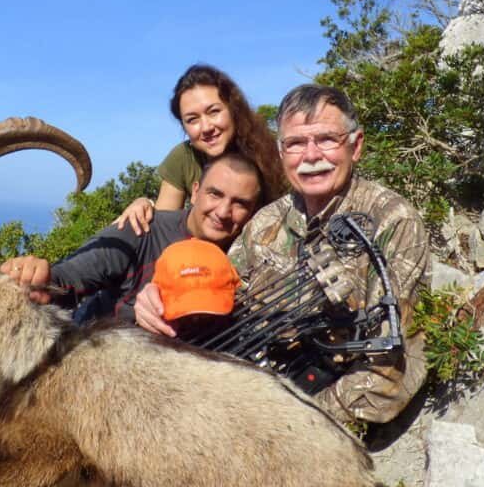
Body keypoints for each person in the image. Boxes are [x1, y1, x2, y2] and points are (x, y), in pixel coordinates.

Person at [134, 84, 430, 425]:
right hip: (241, 397)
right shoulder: (265, 223)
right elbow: (216, 297)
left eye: (327, 139)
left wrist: (281, 421)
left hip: (312, 426)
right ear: (281, 152)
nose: (311, 156)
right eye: (296, 144)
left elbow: (388, 374)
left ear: (356, 145)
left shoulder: (392, 221)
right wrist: (158, 296)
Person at [1, 152, 262, 323]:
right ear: (195, 192)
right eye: (214, 194)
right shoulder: (141, 229)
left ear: (253, 210)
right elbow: (69, 278)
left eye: (240, 203)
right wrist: (40, 279)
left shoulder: (249, 253)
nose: (224, 212)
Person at [113, 64, 286, 235]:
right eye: (192, 119)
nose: (206, 127)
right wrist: (144, 204)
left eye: (214, 112)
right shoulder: (183, 158)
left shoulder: (273, 153)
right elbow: (164, 227)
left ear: (234, 110)